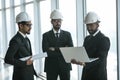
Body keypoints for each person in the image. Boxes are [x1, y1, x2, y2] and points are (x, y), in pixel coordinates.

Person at [71, 12, 110, 80]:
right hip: (86, 75)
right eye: (87, 25)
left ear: (97, 25)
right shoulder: (87, 39)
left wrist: (84, 63)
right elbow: (83, 54)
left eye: (91, 25)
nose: (88, 28)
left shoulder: (104, 39)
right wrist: (77, 59)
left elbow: (101, 59)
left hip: (98, 76)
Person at [4, 12, 38, 80]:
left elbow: (28, 57)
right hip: (20, 76)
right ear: (21, 26)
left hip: (29, 75)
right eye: (28, 25)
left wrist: (33, 72)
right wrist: (25, 63)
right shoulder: (15, 40)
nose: (30, 28)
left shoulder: (27, 39)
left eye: (31, 25)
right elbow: (7, 59)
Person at [42, 9, 73, 80]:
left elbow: (70, 50)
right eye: (55, 21)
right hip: (51, 67)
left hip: (65, 66)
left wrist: (55, 49)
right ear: (51, 22)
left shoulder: (67, 34)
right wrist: (64, 50)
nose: (58, 23)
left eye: (59, 21)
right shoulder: (45, 35)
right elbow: (46, 52)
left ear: (61, 21)